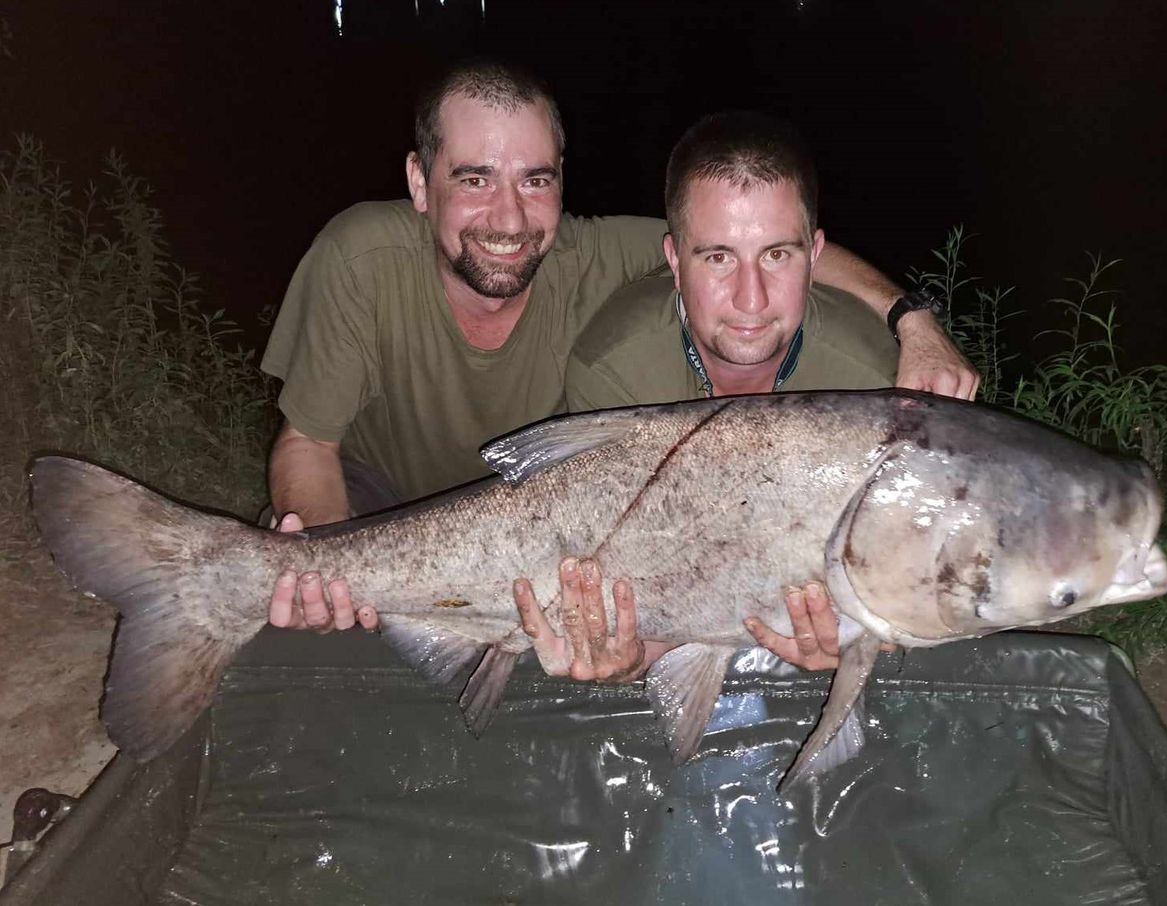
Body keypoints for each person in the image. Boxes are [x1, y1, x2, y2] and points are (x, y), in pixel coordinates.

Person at [259, 60, 977, 633]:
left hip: (533, 525)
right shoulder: (359, 256)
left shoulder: (599, 253)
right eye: (475, 179)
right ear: (420, 182)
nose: (509, 217)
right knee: (297, 606)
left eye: (536, 180)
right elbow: (306, 446)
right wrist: (326, 559)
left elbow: (759, 240)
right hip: (378, 509)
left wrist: (913, 319)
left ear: (561, 183)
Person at [512, 111, 916, 681]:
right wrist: (631, 659)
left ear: (816, 255)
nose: (750, 300)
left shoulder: (873, 384)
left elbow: (902, 582)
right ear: (675, 261)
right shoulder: (614, 370)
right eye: (718, 257)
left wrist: (861, 641)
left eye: (777, 255)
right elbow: (627, 572)